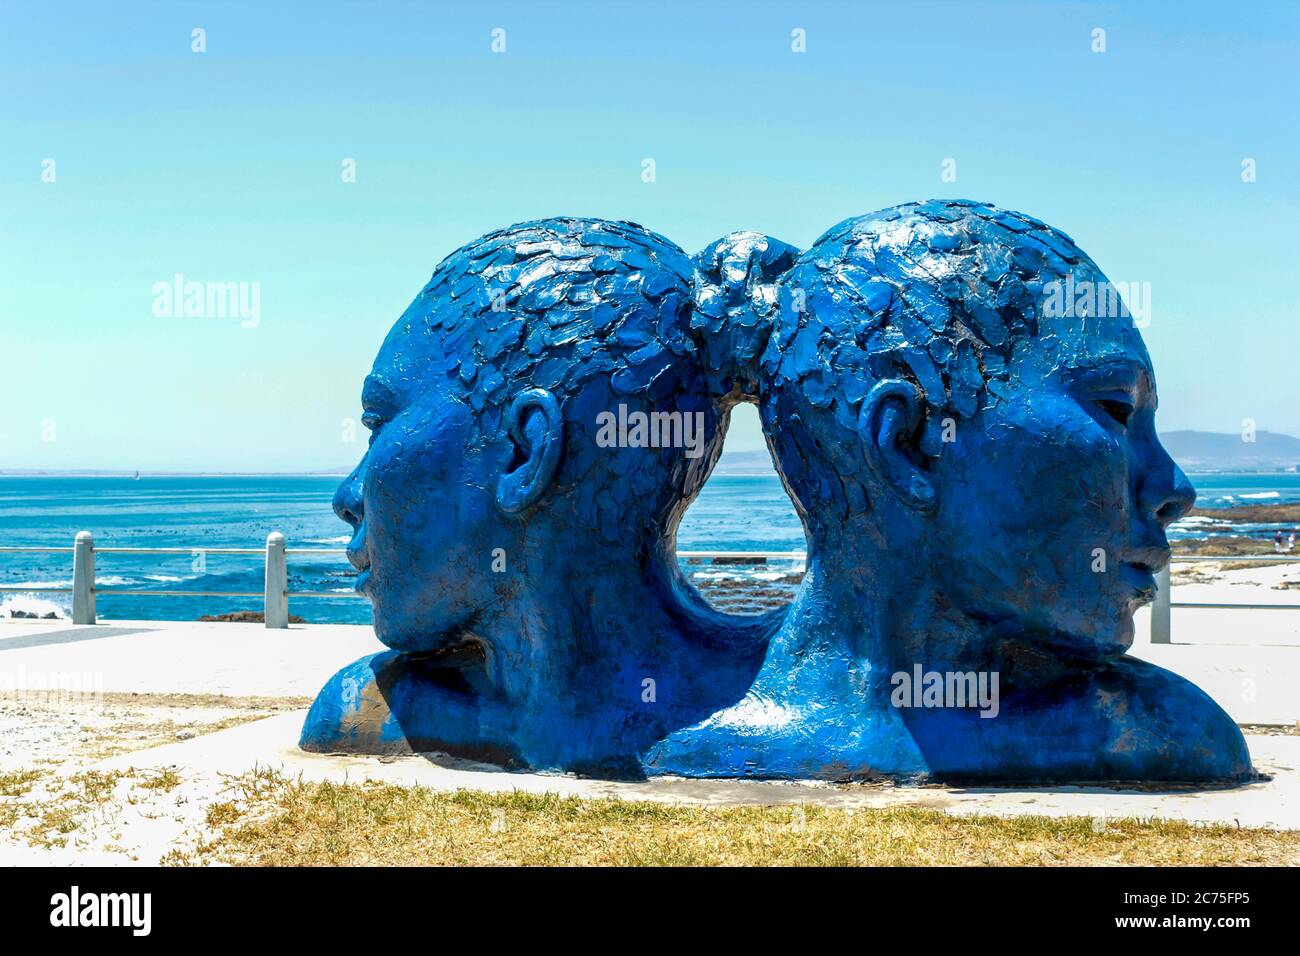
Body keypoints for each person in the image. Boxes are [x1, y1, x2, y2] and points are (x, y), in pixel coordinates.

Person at [646, 200, 1253, 783]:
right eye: (1115, 410)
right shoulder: (1153, 731)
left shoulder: (658, 718)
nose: (1175, 489)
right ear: (908, 443)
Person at [300, 218, 781, 774]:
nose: (346, 496)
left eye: (379, 423)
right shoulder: (379, 705)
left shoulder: (373, 709)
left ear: (522, 453)